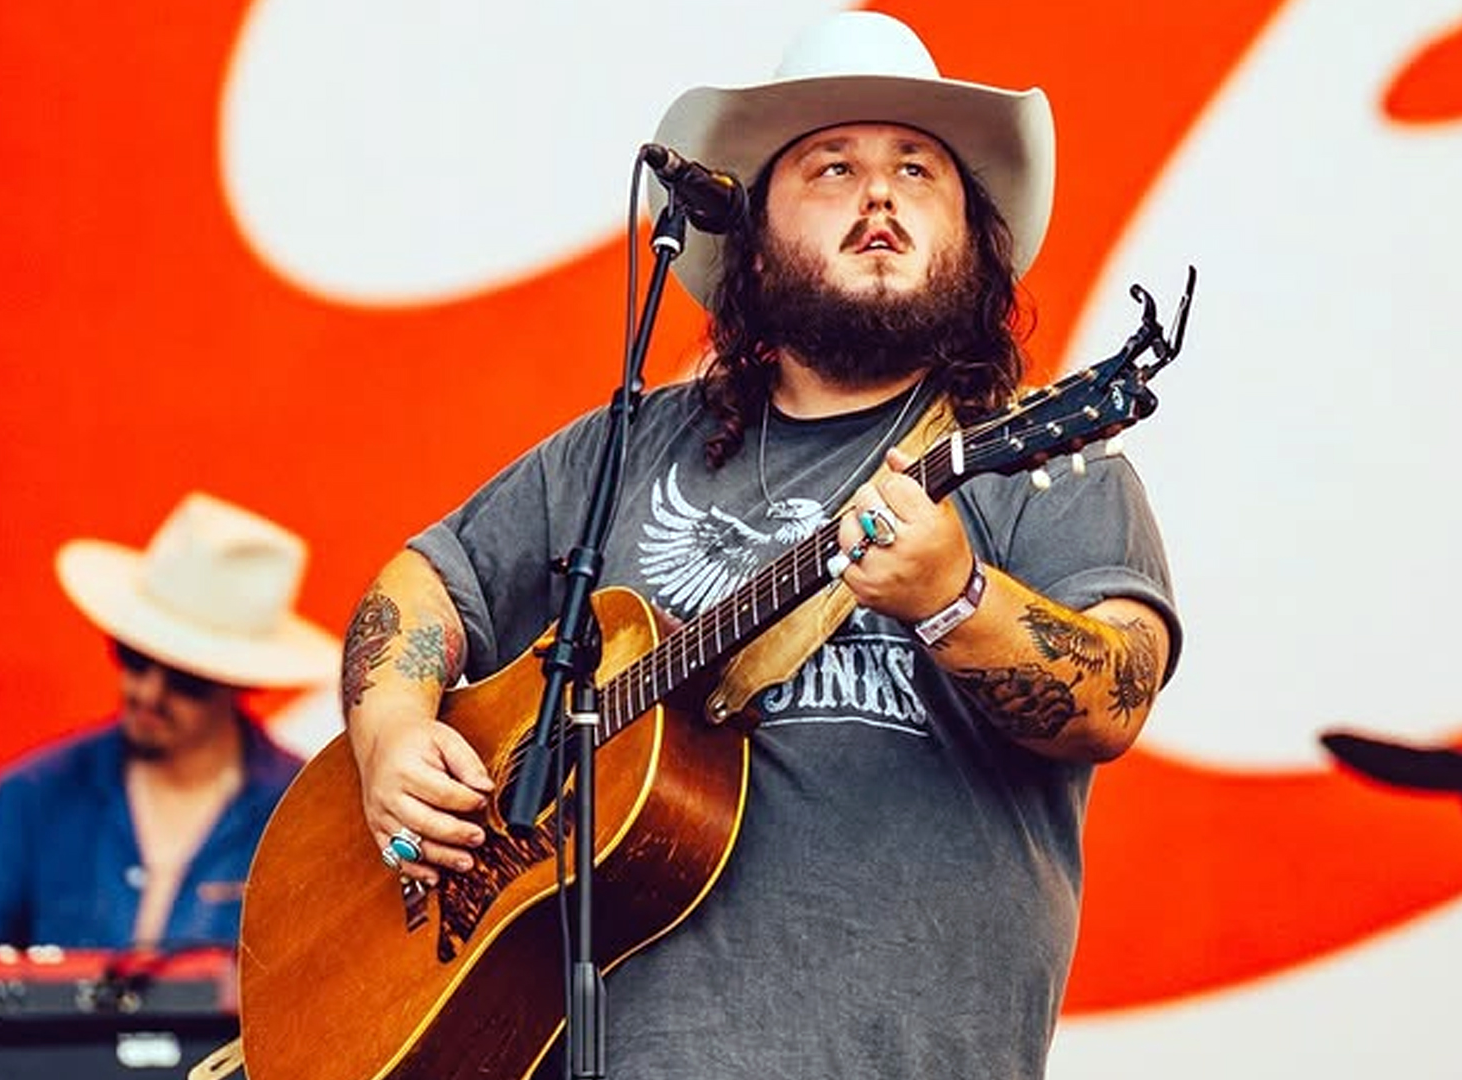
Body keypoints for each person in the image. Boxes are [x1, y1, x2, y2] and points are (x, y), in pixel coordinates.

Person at [342, 11, 1180, 1078]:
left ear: (973, 234)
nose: (880, 196)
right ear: (751, 235)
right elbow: (426, 581)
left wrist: (954, 597)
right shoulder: (627, 450)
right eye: (833, 166)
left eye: (918, 170)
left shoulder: (1041, 464)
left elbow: (1116, 691)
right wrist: (392, 735)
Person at [0, 491, 338, 956]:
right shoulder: (36, 791)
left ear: (239, 682)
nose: (148, 693)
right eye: (135, 660)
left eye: (186, 679)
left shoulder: (305, 811)